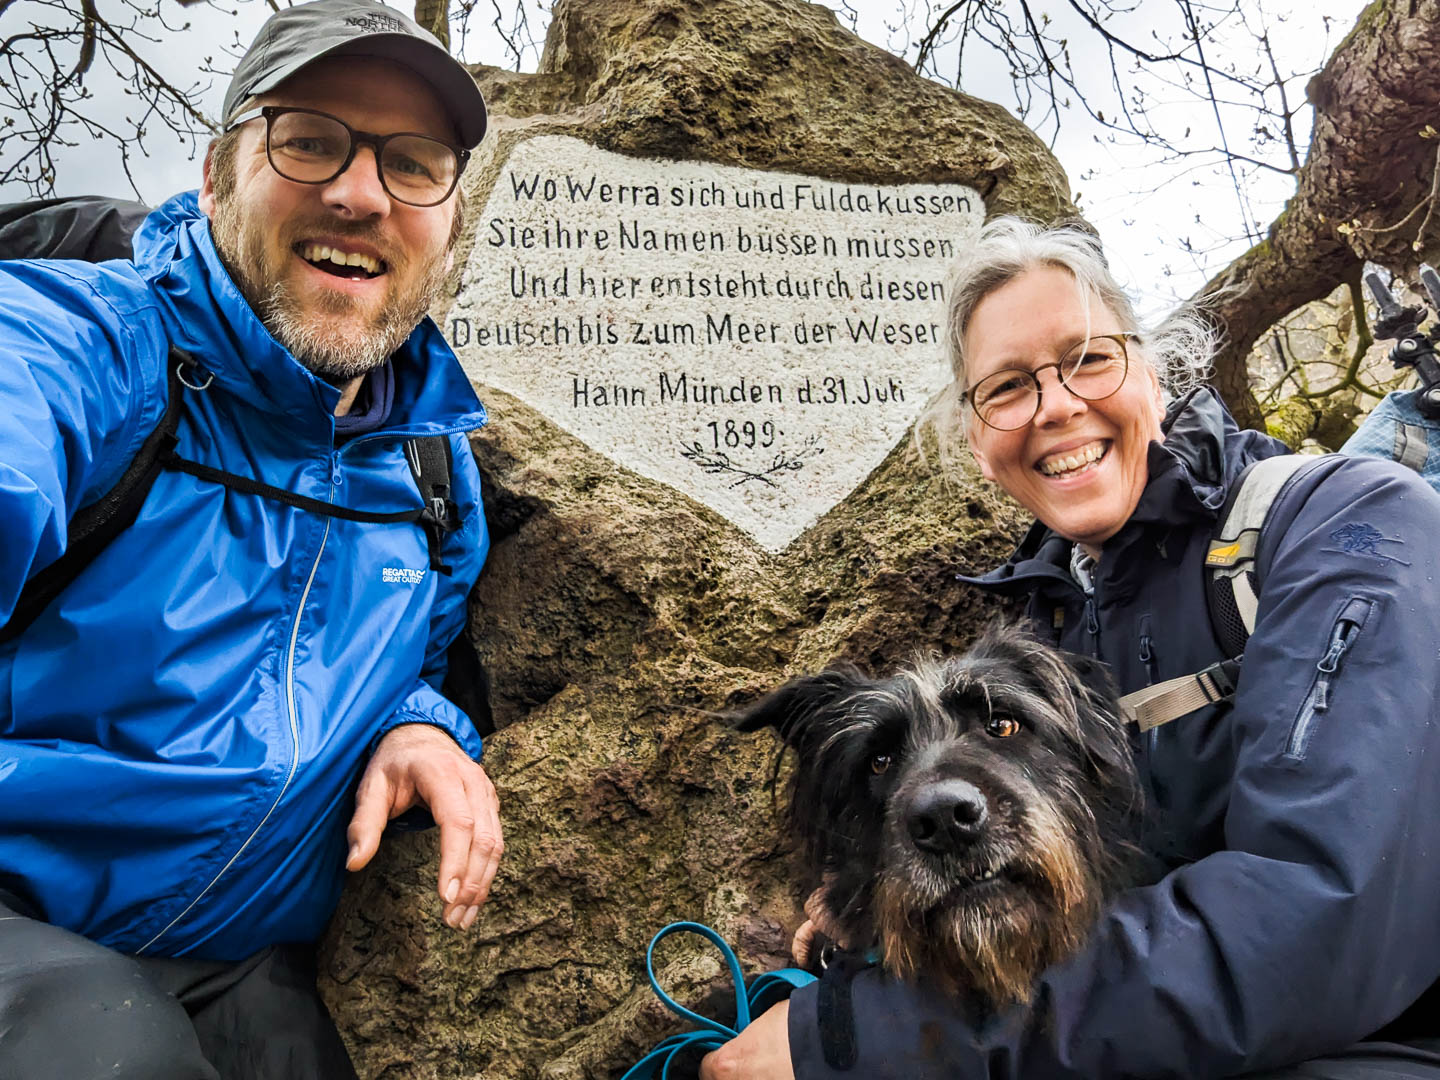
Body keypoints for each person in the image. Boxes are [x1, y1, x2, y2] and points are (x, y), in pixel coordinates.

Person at [701, 217, 1440, 1079]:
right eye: (1008, 387)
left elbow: (1321, 912)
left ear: (1154, 375)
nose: (1056, 406)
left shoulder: (1347, 527)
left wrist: (864, 1042)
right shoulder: (1042, 632)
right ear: (979, 441)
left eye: (1089, 359)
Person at [0, 1, 502, 1076]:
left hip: (232, 961)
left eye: (413, 163)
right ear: (219, 176)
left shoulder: (436, 469)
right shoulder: (91, 348)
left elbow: (413, 665)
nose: (359, 193)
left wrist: (416, 728)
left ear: (451, 221)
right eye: (309, 140)